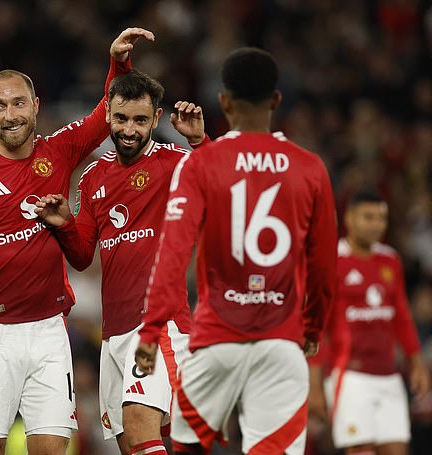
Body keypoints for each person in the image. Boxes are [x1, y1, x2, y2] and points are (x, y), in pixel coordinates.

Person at [0, 28, 153, 455]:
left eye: (17, 103)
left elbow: (105, 115)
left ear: (35, 106)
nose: (10, 114)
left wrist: (118, 65)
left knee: (52, 448)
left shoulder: (59, 151)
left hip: (50, 330)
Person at [135, 47, 338, 455]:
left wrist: (152, 328)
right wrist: (312, 329)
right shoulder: (310, 168)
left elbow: (173, 252)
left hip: (214, 343)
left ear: (224, 101)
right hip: (282, 344)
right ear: (276, 101)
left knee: (188, 446)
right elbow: (323, 267)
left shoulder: (201, 164)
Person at [34, 69, 209, 455]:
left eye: (140, 120)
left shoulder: (174, 162)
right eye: (121, 118)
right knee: (129, 443)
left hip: (157, 324)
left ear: (157, 119)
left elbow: (220, 185)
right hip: (112, 332)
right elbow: (81, 256)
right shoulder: (93, 176)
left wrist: (199, 140)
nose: (129, 129)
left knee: (140, 426)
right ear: (109, 116)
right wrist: (64, 224)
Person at [308, 189, 429, 455]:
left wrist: (416, 362)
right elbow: (318, 328)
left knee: (397, 449)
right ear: (350, 219)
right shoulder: (332, 261)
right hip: (350, 375)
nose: (376, 225)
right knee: (361, 449)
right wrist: (315, 384)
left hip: (388, 373)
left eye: (381, 218)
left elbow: (401, 315)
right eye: (368, 217)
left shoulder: (390, 259)